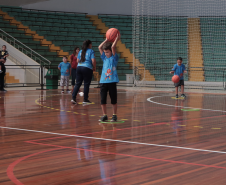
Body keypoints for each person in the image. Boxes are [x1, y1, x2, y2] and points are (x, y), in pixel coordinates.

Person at [98, 34, 120, 122]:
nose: (106, 53)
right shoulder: (104, 58)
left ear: (111, 51)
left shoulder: (114, 58)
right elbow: (100, 47)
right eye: (105, 52)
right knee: (103, 100)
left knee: (113, 99)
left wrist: (116, 39)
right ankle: (104, 115)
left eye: (107, 52)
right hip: (103, 82)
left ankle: (114, 115)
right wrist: (106, 40)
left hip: (112, 82)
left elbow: (113, 46)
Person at [71, 40, 96, 104]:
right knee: (86, 84)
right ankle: (85, 99)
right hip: (87, 68)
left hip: (79, 67)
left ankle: (73, 98)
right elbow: (93, 61)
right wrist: (94, 67)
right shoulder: (91, 51)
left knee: (78, 83)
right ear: (89, 45)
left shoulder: (80, 51)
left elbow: (77, 61)